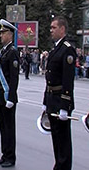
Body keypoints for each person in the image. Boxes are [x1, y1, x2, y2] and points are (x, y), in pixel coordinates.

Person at [43, 16, 76, 170]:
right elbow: (49, 78)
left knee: (63, 139)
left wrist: (65, 105)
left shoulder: (67, 49)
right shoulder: (56, 48)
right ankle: (59, 165)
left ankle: (64, 166)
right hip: (51, 98)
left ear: (62, 29)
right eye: (50, 28)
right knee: (56, 137)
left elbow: (68, 80)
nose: (51, 30)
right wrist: (45, 102)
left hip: (60, 100)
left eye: (54, 27)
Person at [0, 19, 19, 168]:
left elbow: (14, 77)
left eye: (3, 33)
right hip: (0, 94)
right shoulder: (3, 51)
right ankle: (5, 153)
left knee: (9, 127)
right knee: (3, 126)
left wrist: (11, 97)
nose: (1, 36)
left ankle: (11, 157)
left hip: (8, 95)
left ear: (9, 34)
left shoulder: (13, 52)